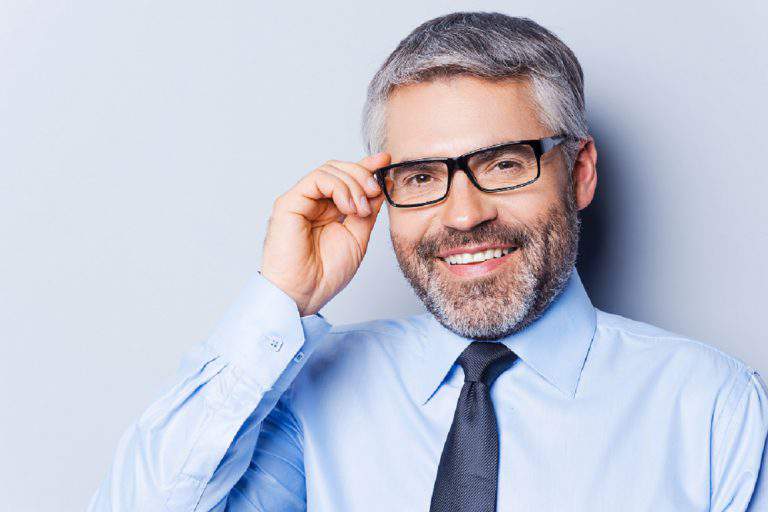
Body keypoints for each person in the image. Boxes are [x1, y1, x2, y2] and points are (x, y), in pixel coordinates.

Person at [88, 11, 768, 511]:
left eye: (505, 163)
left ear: (580, 172)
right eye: (420, 176)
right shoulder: (311, 396)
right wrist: (279, 300)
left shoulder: (712, 409)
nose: (464, 214)